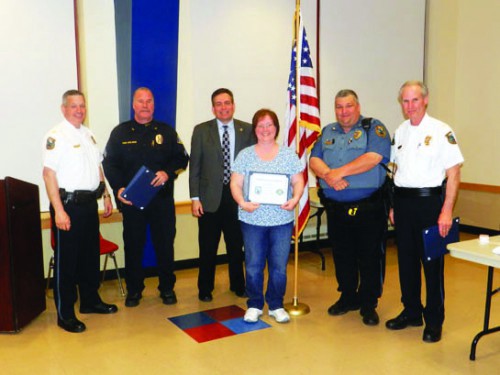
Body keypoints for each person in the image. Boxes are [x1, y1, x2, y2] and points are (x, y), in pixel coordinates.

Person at [385, 80, 464, 343]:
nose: (410, 106)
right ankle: (411, 311)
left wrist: (446, 211)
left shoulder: (441, 131)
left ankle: (433, 320)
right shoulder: (400, 131)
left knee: (431, 265)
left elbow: (453, 174)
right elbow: (395, 172)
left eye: (414, 100)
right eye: (405, 101)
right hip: (404, 204)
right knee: (406, 262)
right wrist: (394, 205)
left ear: (425, 100)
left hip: (430, 203)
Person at [310, 89, 391, 326]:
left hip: (368, 207)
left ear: (357, 106)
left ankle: (368, 303)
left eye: (348, 106)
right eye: (339, 107)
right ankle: (347, 297)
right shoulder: (327, 131)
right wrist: (328, 175)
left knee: (369, 255)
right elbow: (314, 159)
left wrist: (338, 173)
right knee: (342, 254)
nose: (343, 111)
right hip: (336, 207)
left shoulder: (373, 128)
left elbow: (374, 157)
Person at [103, 87, 189, 307]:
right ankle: (134, 290)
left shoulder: (166, 131)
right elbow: (110, 164)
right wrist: (118, 188)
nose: (145, 105)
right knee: (133, 246)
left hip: (161, 201)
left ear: (153, 104)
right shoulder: (120, 132)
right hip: (133, 202)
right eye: (140, 101)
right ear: (133, 105)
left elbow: (181, 159)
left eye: (149, 101)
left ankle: (167, 288)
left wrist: (167, 173)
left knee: (165, 245)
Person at [42, 90, 118, 333]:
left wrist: (105, 194)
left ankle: (90, 300)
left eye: (82, 106)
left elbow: (98, 168)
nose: (79, 110)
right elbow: (48, 174)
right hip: (68, 206)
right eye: (73, 106)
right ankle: (65, 314)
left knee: (89, 255)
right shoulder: (56, 135)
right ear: (64, 109)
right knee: (68, 262)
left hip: (88, 204)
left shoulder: (88, 134)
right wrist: (59, 210)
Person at [230, 108, 304, 324]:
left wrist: (296, 198)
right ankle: (254, 304)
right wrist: (242, 202)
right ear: (255, 129)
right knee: (253, 264)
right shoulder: (245, 155)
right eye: (261, 125)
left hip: (281, 219)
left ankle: (276, 304)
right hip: (252, 220)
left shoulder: (288, 154)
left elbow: (298, 181)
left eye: (269, 125)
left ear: (276, 128)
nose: (265, 130)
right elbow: (235, 183)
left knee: (279, 266)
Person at [189, 88, 255, 302]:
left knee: (236, 245)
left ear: (233, 105)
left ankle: (238, 284)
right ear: (213, 107)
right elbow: (195, 167)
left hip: (238, 197)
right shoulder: (201, 130)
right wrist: (194, 198)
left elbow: (254, 165)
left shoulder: (248, 130)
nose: (223, 107)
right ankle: (205, 288)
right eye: (218, 103)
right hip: (209, 198)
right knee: (207, 246)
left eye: (227, 103)